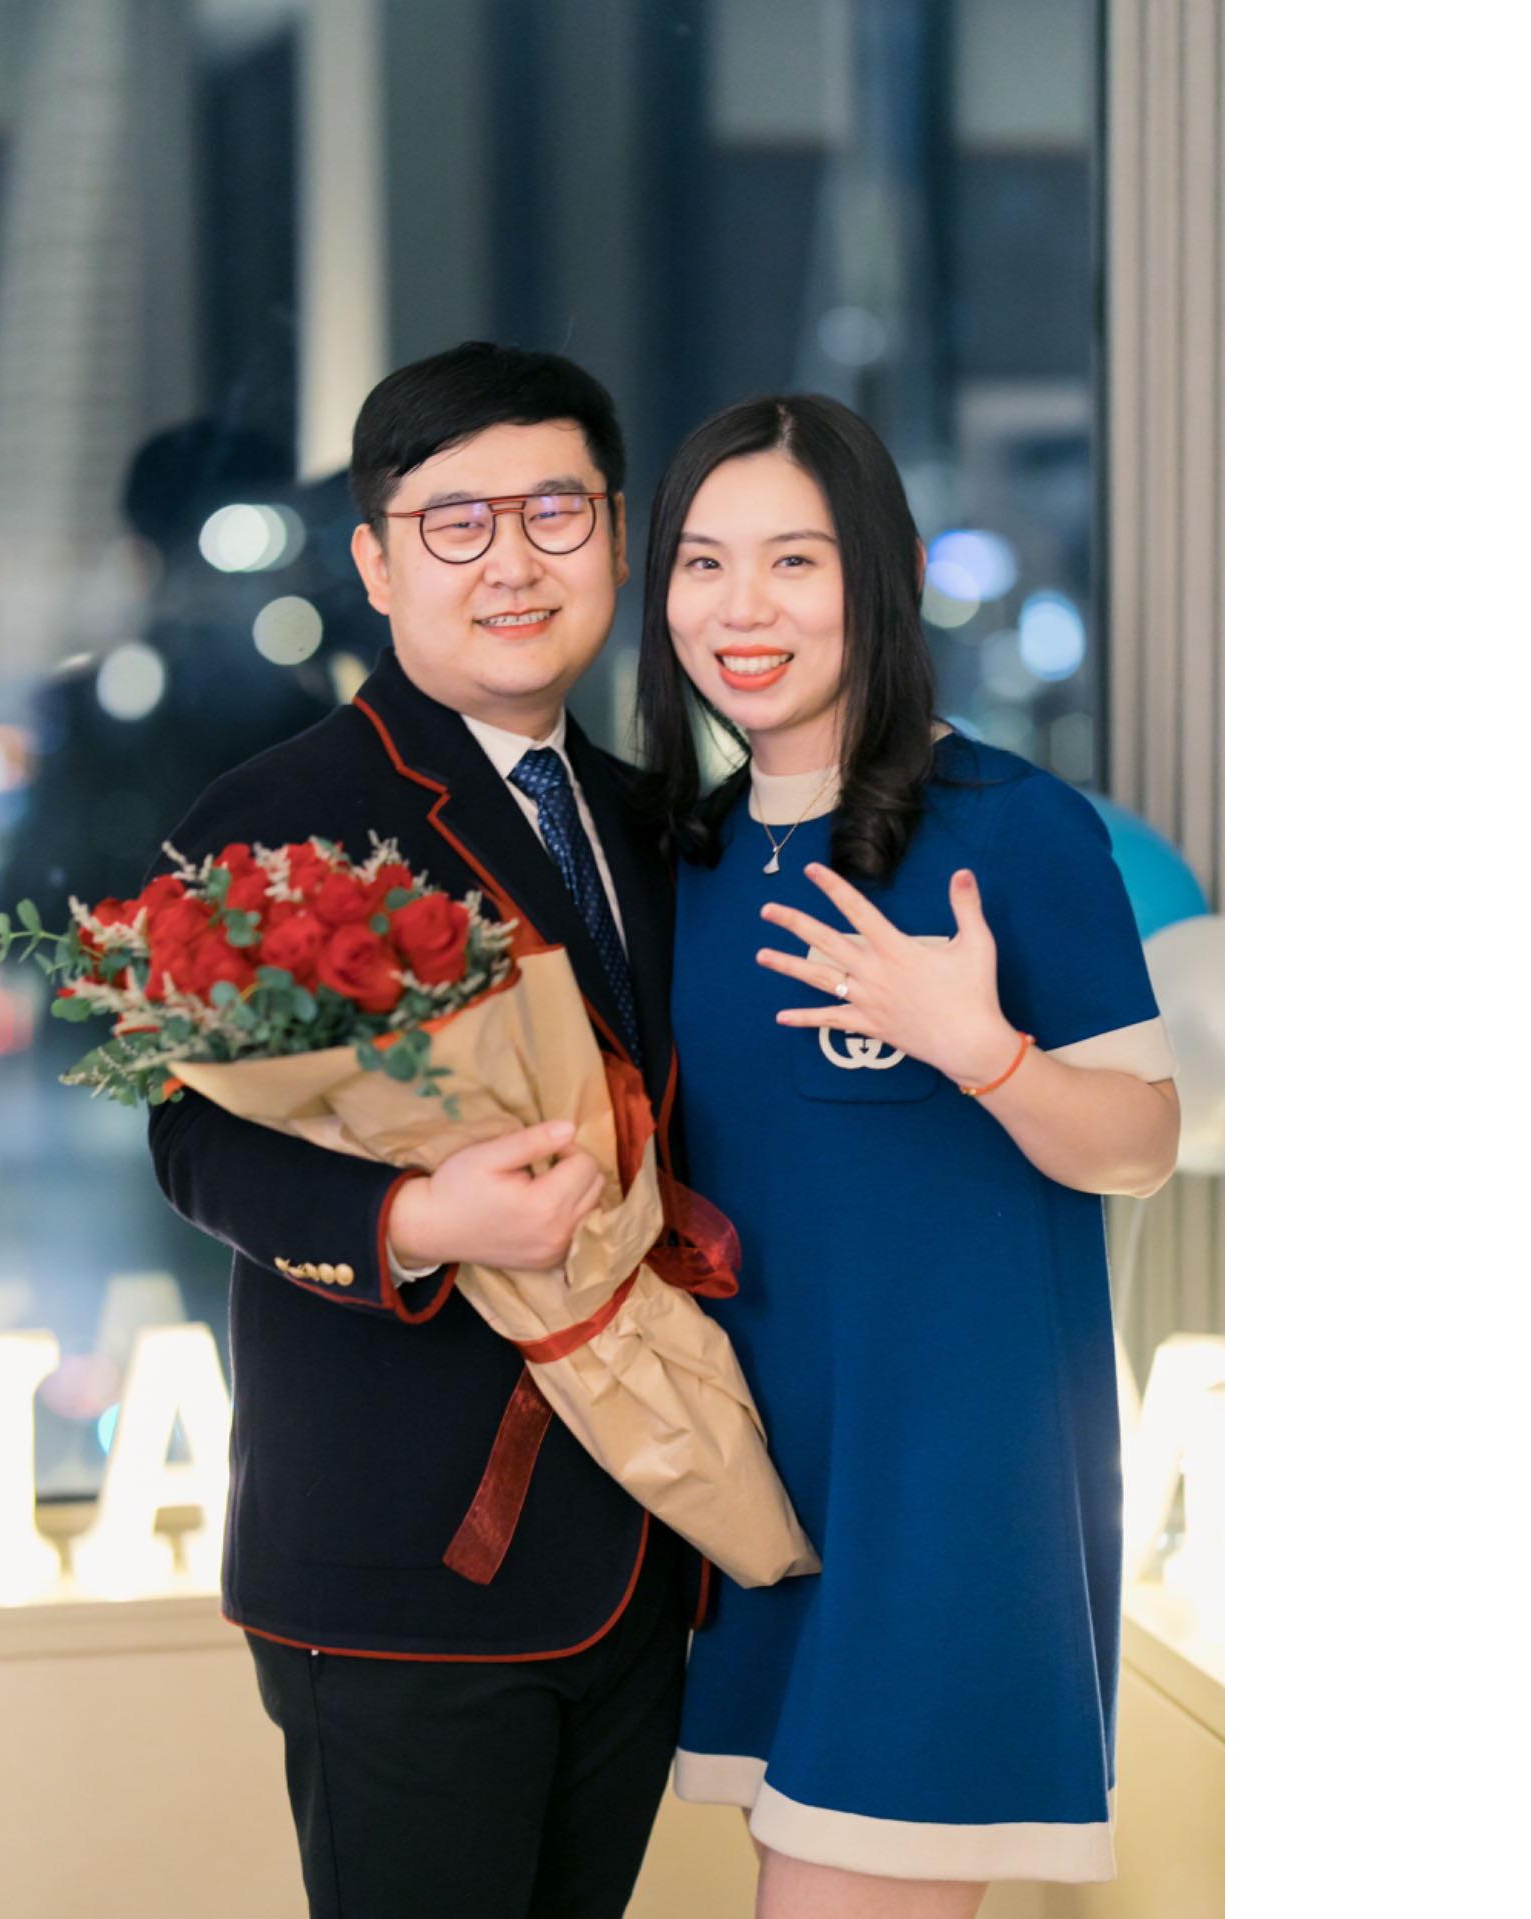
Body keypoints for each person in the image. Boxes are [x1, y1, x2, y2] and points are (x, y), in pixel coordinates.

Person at [146, 343, 700, 1919]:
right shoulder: (281, 817)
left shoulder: (660, 825)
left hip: (643, 1544)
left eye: (555, 511)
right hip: (399, 1575)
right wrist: (415, 1223)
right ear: (378, 564)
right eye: (457, 522)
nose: (513, 560)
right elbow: (193, 1141)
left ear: (614, 537)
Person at [635, 395, 1180, 1918]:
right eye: (702, 563)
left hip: (948, 1513)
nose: (743, 609)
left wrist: (982, 1051)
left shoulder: (1010, 829)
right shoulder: (695, 853)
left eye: (795, 561)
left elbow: (1144, 1142)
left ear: (884, 576)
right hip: (763, 1512)